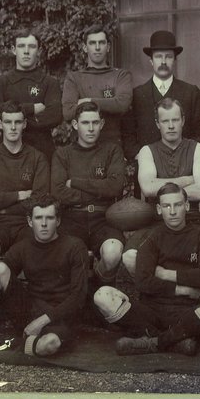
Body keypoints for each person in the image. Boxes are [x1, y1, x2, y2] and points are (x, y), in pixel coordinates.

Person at [93, 184, 200, 356]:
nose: (172, 211)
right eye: (166, 206)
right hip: (151, 310)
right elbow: (143, 282)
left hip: (187, 311)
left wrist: (165, 273)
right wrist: (183, 289)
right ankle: (175, 341)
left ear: (186, 206)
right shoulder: (151, 237)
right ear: (159, 209)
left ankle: (155, 342)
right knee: (102, 296)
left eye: (177, 205)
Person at [0, 195, 89, 358]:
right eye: (38, 218)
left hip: (59, 316)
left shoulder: (74, 246)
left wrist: (43, 321)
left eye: (49, 218)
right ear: (30, 222)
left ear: (58, 221)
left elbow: (78, 297)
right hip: (30, 309)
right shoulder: (23, 247)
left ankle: (8, 343)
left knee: (49, 345)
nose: (44, 224)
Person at [126, 97, 200, 273]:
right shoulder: (147, 151)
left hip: (191, 219)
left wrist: (162, 186)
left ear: (183, 121)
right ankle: (157, 288)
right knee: (130, 256)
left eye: (175, 120)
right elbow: (148, 189)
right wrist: (187, 180)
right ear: (158, 124)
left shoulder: (197, 149)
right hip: (156, 221)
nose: (171, 126)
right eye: (165, 121)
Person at [0, 100, 51, 283]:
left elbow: (39, 199)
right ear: (0, 124)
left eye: (17, 122)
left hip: (27, 223)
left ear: (25, 124)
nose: (13, 127)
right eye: (8, 122)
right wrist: (19, 195)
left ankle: (30, 299)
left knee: (40, 250)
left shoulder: (37, 158)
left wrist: (0, 199)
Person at [51, 101, 126, 284]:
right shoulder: (63, 154)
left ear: (101, 124)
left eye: (95, 123)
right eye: (85, 123)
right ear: (76, 125)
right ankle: (78, 294)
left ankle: (99, 285)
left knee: (113, 253)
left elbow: (115, 187)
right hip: (72, 218)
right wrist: (100, 190)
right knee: (70, 258)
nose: (91, 128)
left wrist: (76, 183)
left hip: (104, 218)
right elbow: (58, 192)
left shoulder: (112, 150)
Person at [123, 30, 200, 160]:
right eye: (158, 56)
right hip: (147, 165)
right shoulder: (136, 95)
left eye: (168, 56)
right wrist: (141, 156)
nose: (163, 61)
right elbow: (128, 135)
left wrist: (186, 156)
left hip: (183, 163)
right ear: (151, 61)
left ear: (175, 60)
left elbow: (199, 133)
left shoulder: (190, 92)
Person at [0, 28, 62, 162]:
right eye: (21, 46)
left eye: (32, 47)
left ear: (39, 51)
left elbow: (55, 116)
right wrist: (31, 109)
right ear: (14, 50)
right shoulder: (1, 82)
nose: (26, 51)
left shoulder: (50, 82)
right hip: (7, 156)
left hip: (42, 153)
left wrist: (10, 119)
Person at [62, 24, 133, 149]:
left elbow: (122, 104)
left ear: (108, 47)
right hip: (82, 149)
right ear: (85, 47)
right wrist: (109, 103)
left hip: (113, 147)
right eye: (92, 43)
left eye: (101, 43)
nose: (98, 47)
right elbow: (68, 112)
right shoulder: (74, 78)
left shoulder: (120, 75)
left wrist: (88, 101)